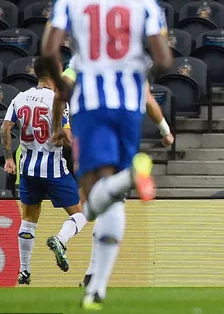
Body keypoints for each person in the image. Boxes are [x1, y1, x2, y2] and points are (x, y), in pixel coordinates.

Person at [40, 0, 172, 309]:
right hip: (128, 105)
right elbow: (163, 59)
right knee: (111, 198)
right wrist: (135, 75)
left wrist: (64, 87)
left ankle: (130, 177)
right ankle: (96, 288)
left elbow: (49, 49)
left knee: (91, 196)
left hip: (89, 105)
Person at [60, 57, 176, 288]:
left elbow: (62, 87)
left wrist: (58, 125)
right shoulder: (133, 57)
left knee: (91, 203)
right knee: (109, 203)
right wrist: (165, 131)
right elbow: (147, 99)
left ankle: (92, 274)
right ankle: (93, 276)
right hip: (125, 127)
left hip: (91, 125)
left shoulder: (81, 56)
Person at [1, 58, 88, 285]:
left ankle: (24, 271)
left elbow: (5, 128)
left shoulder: (19, 98)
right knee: (81, 214)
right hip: (54, 169)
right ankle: (60, 239)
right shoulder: (58, 101)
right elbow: (65, 134)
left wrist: (9, 158)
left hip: (28, 170)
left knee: (29, 220)